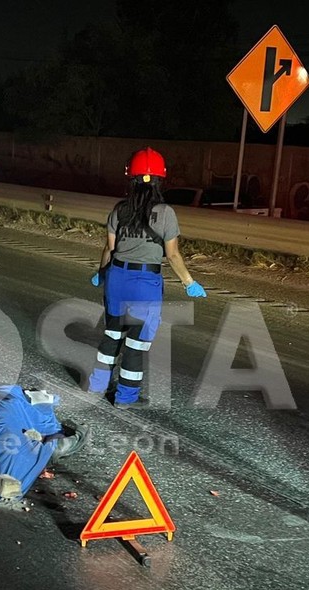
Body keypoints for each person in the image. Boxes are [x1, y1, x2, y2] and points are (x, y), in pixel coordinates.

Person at [86, 147, 207, 406]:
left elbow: (110, 248)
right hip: (145, 284)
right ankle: (125, 397)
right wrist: (189, 282)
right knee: (136, 343)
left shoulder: (119, 210)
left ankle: (97, 386)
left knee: (113, 334)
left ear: (130, 178)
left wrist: (101, 274)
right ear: (160, 180)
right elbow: (172, 255)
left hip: (117, 278)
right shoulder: (165, 213)